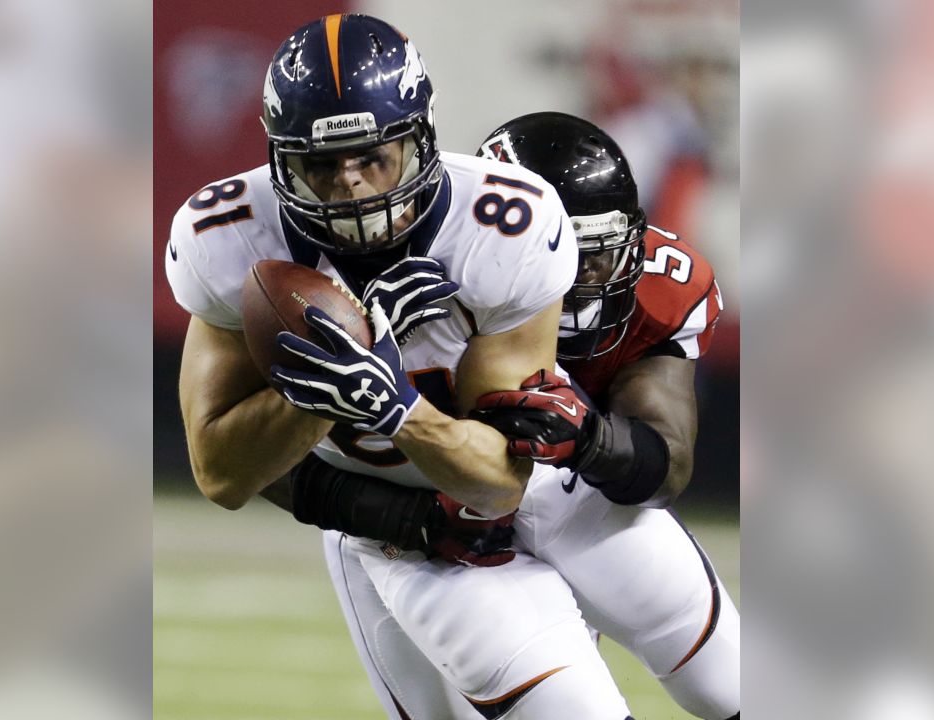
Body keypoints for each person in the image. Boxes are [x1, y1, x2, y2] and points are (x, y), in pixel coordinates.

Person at [165, 14, 636, 720]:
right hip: (378, 538)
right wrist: (331, 382)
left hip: (536, 500)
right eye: (322, 165)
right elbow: (221, 473)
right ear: (279, 161)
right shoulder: (227, 236)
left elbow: (502, 483)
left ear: (422, 139)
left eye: (373, 157)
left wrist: (391, 401)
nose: (351, 187)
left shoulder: (501, 227)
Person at [282, 113, 741, 719]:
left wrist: (593, 440)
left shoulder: (656, 288)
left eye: (593, 256)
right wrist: (400, 514)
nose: (572, 280)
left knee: (729, 680)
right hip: (415, 526)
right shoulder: (407, 277)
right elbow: (252, 463)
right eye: (556, 252)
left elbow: (666, 464)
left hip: (565, 484)